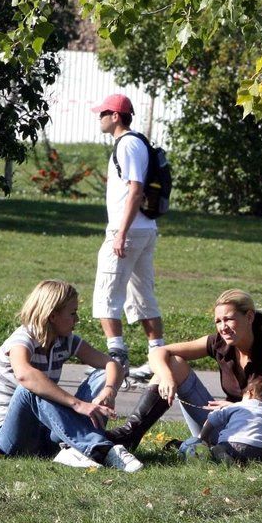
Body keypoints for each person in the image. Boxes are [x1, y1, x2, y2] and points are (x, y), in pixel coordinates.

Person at [107, 289, 262, 465]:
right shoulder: (218, 343)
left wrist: (239, 408)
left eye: (229, 319)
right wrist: (167, 377)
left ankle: (245, 454)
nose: (223, 327)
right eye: (218, 321)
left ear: (249, 317)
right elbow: (158, 352)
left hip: (258, 428)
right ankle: (129, 435)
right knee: (174, 364)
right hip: (222, 426)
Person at [0, 279, 143, 472]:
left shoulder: (65, 341)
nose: (77, 319)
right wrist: (78, 405)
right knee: (31, 389)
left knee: (103, 376)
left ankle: (75, 449)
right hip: (11, 439)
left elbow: (112, 365)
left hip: (47, 433)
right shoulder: (22, 340)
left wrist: (109, 391)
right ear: (52, 316)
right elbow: (25, 376)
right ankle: (100, 449)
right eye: (72, 313)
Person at [91, 93, 165, 379]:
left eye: (103, 113)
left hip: (129, 230)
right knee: (142, 295)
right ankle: (157, 361)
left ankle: (117, 360)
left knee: (106, 295)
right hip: (143, 229)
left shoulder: (128, 144)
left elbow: (136, 189)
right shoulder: (132, 143)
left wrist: (120, 234)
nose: (100, 118)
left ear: (116, 116)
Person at [180, 376, 262, 464]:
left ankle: (222, 455)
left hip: (233, 445)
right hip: (259, 450)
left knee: (217, 448)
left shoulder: (238, 406)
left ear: (250, 393)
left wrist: (203, 437)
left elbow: (212, 418)